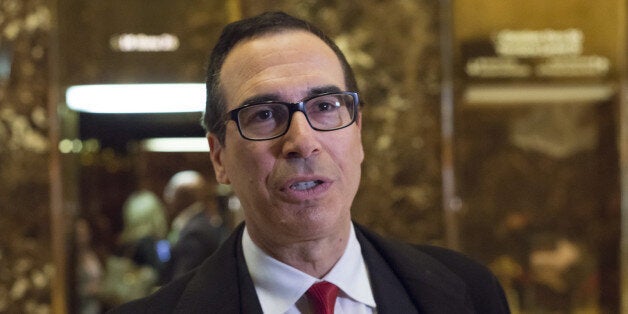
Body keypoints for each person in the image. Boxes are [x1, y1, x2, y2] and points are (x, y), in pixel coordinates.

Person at [110, 11, 510, 313]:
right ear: (219, 157)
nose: (302, 142)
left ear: (359, 133)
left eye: (325, 106)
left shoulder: (470, 292)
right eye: (264, 114)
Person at [161, 170, 228, 283]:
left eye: (170, 192)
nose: (167, 197)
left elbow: (182, 283)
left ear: (183, 196)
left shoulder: (195, 233)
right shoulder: (202, 223)